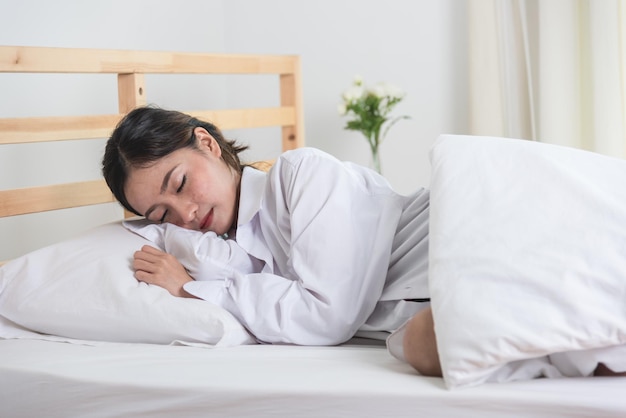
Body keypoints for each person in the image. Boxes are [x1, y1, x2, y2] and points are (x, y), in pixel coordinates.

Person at [102, 106, 624, 378]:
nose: (186, 215)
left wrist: (193, 290)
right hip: (448, 297)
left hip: (488, 225)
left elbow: (326, 316)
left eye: (180, 185)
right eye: (163, 215)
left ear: (208, 145)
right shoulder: (234, 254)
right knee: (423, 344)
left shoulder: (298, 175)